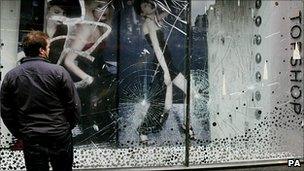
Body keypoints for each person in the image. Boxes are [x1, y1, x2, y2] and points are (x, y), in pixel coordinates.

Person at [0, 31, 81, 171]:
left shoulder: (11, 76)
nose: (49, 50)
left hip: (32, 137)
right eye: (48, 47)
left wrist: (21, 133)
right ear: (42, 50)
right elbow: (73, 105)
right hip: (59, 135)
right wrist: (67, 127)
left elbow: (6, 111)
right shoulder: (59, 72)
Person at [134, 0, 194, 143]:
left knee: (189, 91)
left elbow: (168, 11)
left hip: (168, 63)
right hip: (162, 64)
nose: (148, 5)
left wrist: (156, 4)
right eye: (144, 5)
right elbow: (157, 49)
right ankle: (142, 130)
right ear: (142, 12)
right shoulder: (148, 24)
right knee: (161, 103)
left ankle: (187, 123)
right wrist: (166, 72)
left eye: (149, 3)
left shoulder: (155, 19)